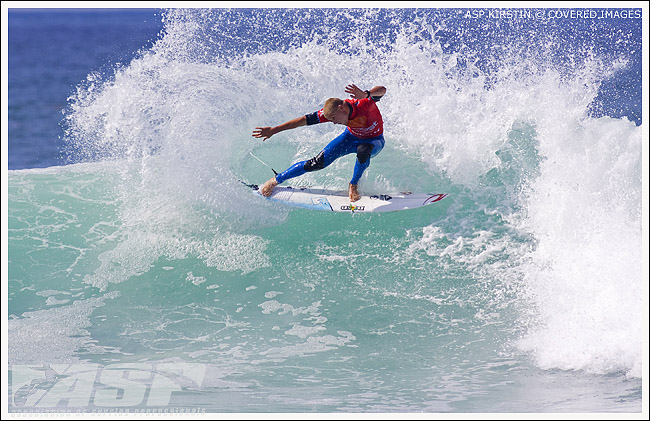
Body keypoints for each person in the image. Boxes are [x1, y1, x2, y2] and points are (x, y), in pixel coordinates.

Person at [252, 83, 386, 202]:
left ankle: (353, 184)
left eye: (333, 118)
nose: (333, 122)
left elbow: (382, 90)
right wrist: (274, 130)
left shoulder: (363, 104)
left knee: (363, 151)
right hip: (350, 137)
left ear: (341, 108)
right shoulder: (332, 112)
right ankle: (275, 180)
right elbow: (301, 121)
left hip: (374, 141)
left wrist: (366, 94)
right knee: (316, 163)